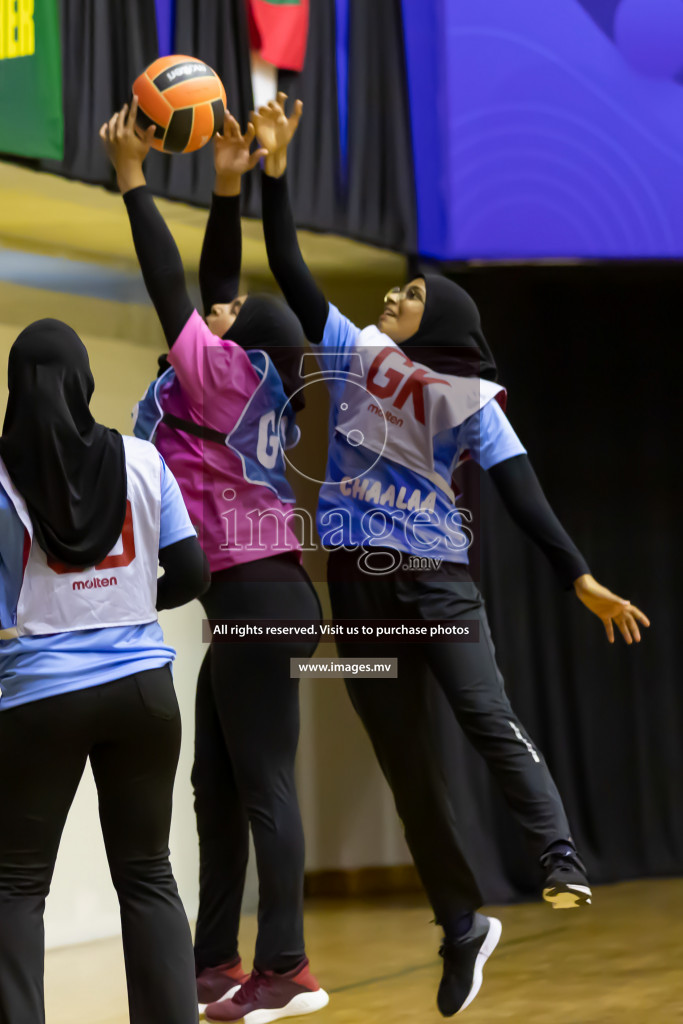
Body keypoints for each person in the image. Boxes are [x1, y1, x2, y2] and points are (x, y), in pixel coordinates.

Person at [249, 94, 651, 1018]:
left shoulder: (474, 398)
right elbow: (288, 265)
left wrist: (578, 578)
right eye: (395, 290)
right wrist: (274, 171)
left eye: (411, 293)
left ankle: (557, 855)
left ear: (442, 319)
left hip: (439, 588)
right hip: (357, 594)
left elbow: (522, 495)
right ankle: (460, 923)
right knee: (406, 770)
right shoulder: (349, 353)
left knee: (486, 716)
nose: (392, 296)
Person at [100, 100, 329, 1024]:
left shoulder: (227, 376)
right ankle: (214, 962)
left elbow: (173, 283)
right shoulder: (248, 379)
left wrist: (133, 182)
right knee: (217, 781)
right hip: (255, 598)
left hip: (259, 596)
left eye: (231, 314)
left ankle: (287, 967)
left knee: (264, 781)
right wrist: (228, 182)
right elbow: (217, 276)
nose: (216, 309)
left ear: (248, 345)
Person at [0, 318, 208, 1024]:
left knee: (15, 888)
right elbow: (191, 572)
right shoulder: (147, 461)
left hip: (39, 698)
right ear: (84, 380)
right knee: (149, 876)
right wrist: (119, 603)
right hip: (144, 693)